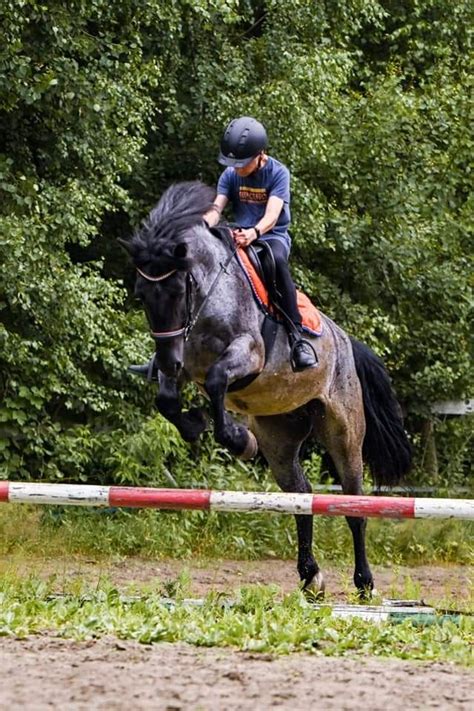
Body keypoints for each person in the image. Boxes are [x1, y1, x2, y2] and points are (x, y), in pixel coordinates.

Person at [203, 116, 317, 371]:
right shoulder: (230, 175)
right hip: (238, 233)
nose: (237, 169)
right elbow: (216, 207)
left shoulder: (278, 173)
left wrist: (254, 233)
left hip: (270, 236)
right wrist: (203, 224)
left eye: (241, 164)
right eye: (233, 164)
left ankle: (296, 338)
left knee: (275, 262)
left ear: (260, 154)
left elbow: (272, 216)